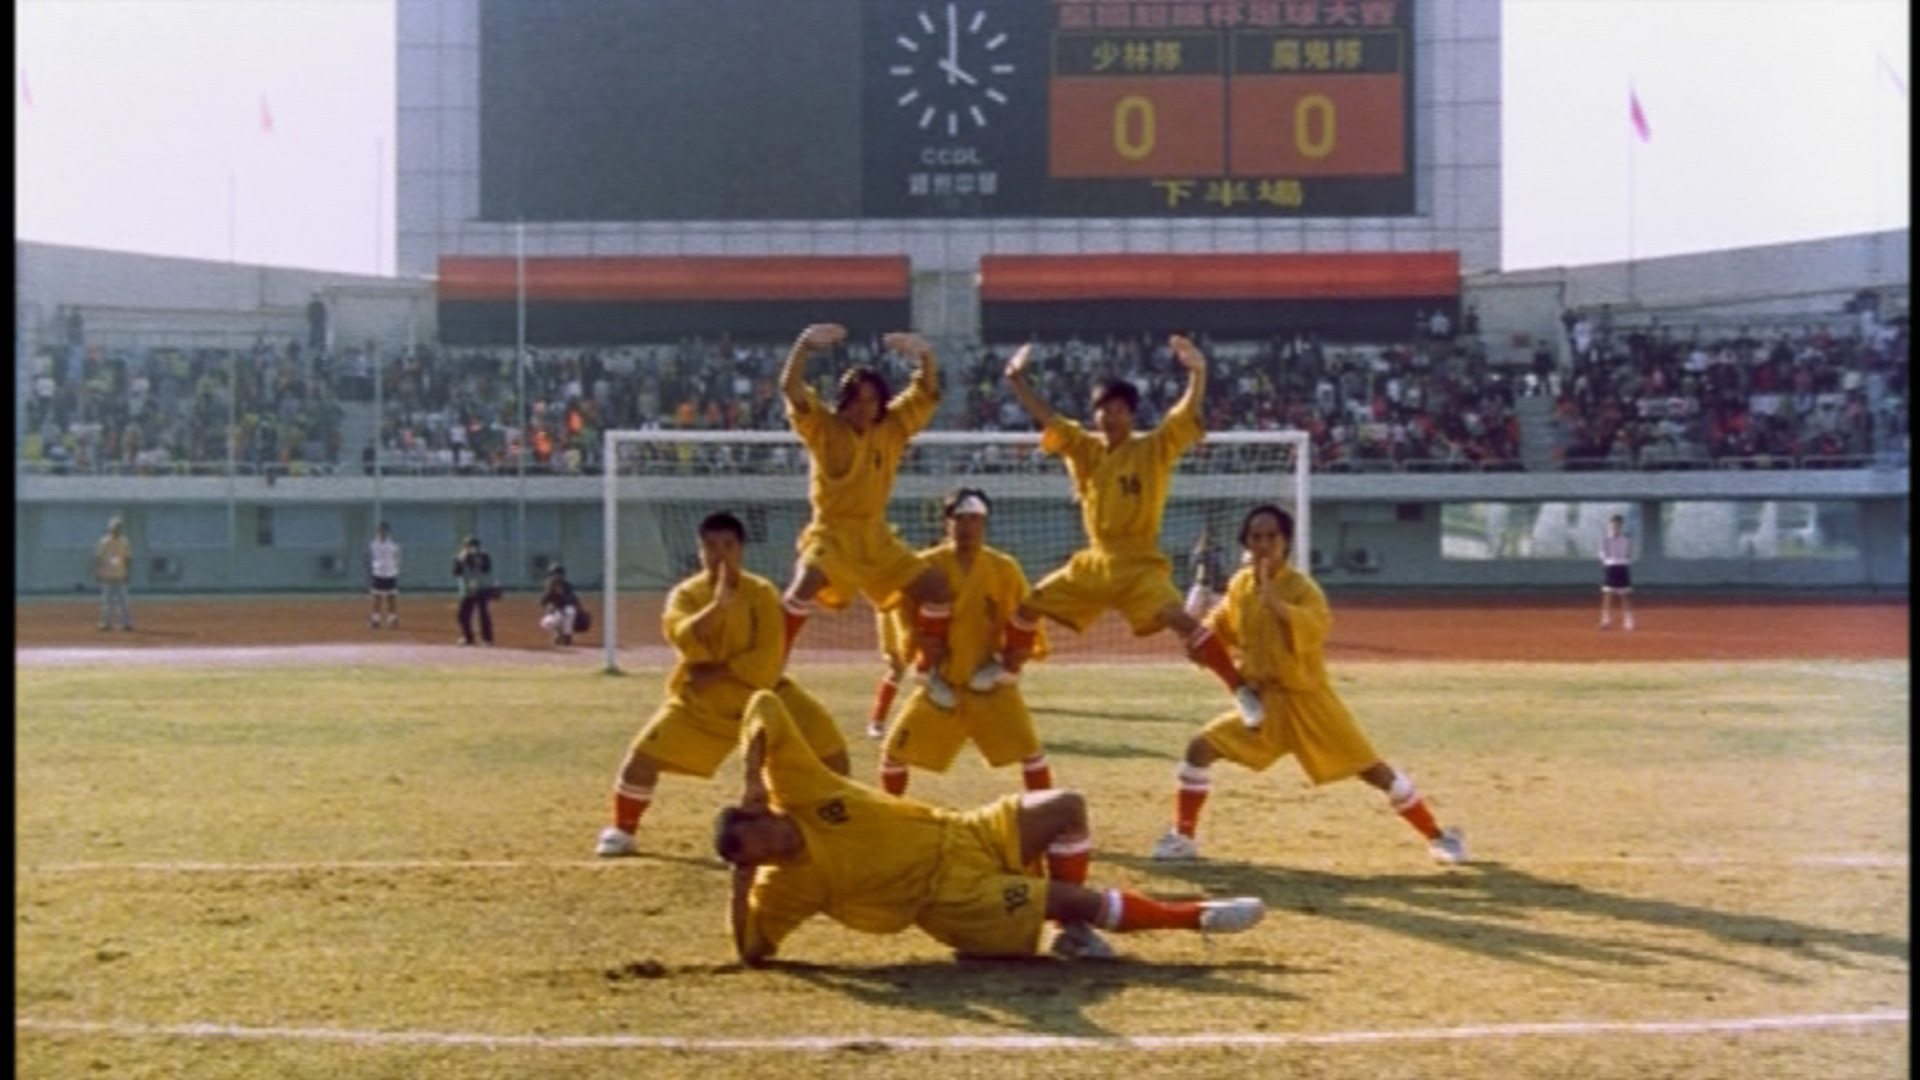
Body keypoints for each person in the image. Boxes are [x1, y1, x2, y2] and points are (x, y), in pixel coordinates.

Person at [716, 690, 1266, 964]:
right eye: (750, 857)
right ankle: (1195, 918)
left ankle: (1067, 934)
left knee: (1066, 805)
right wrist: (739, 890)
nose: (761, 850)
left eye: (753, 835)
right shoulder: (783, 886)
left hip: (965, 832)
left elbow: (763, 703)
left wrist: (752, 775)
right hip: (954, 899)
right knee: (1076, 897)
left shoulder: (798, 788)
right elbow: (753, 950)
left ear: (757, 810)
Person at [1149, 503, 1467, 866]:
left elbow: (1313, 628)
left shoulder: (1303, 589)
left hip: (1308, 700)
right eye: (1256, 537)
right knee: (1199, 749)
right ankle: (1183, 838)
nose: (1264, 544)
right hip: (1262, 705)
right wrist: (1194, 640)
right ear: (1246, 542)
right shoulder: (1239, 585)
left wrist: (1277, 605)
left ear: (1286, 542)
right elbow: (1216, 630)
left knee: (1372, 770)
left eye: (1272, 536)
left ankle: (1440, 837)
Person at [998, 335, 1263, 727]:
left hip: (1139, 561)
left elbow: (1184, 413)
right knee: (1025, 607)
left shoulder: (1152, 450)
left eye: (1119, 409)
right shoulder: (1083, 447)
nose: (1110, 416)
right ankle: (1006, 675)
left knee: (1182, 620)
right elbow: (1047, 416)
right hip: (1093, 560)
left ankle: (1241, 690)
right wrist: (1016, 381)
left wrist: (1198, 373)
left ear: (1132, 415)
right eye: (1103, 409)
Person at [596, 511, 852, 858]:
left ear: (741, 549)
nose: (719, 553)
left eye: (728, 545)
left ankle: (826, 829)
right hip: (703, 703)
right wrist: (717, 607)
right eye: (711, 545)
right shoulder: (685, 594)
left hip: (765, 698)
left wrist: (717, 671)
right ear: (699, 550)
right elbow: (683, 638)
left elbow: (767, 659)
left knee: (832, 754)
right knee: (640, 760)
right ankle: (622, 830)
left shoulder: (760, 592)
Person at [779, 323, 959, 707]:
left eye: (872, 401)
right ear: (842, 402)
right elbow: (791, 390)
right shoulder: (823, 427)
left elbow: (927, 393)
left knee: (938, 589)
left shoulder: (891, 427)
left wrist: (925, 356)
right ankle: (766, 668)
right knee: (803, 586)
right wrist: (802, 347)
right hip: (831, 533)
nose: (865, 409)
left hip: (876, 538)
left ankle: (928, 670)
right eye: (857, 401)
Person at [874, 487, 1057, 798]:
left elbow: (1027, 613)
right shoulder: (924, 565)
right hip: (940, 679)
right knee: (894, 753)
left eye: (974, 519)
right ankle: (890, 814)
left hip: (989, 680)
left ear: (984, 524)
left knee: (1030, 752)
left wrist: (1020, 654)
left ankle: (1045, 818)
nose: (967, 526)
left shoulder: (1003, 568)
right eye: (960, 519)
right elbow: (893, 605)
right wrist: (914, 639)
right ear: (947, 523)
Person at [452, 534, 495, 646]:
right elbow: (455, 572)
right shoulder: (460, 557)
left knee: (483, 613)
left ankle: (487, 639)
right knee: (462, 615)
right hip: (467, 590)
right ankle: (467, 637)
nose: (473, 548)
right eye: (469, 546)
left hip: (482, 587)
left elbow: (487, 568)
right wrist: (461, 561)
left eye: (475, 546)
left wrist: (477, 560)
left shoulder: (484, 556)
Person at [93, 515, 133, 632]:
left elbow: (127, 558)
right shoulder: (104, 542)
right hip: (107, 575)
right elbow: (98, 557)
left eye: (118, 528)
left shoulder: (124, 542)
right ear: (110, 529)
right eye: (114, 528)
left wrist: (127, 572)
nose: (116, 530)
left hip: (120, 575)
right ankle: (105, 623)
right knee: (106, 601)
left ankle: (126, 623)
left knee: (123, 601)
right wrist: (98, 571)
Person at [1599, 513, 1635, 630]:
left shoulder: (1626, 539)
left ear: (1621, 525)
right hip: (1611, 568)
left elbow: (1629, 553)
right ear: (1610, 525)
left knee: (1625, 595)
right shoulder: (1605, 539)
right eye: (1613, 524)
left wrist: (1626, 561)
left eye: (1618, 524)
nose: (1615, 526)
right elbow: (1602, 552)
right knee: (1608, 594)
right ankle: (1605, 620)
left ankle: (1628, 621)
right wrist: (1606, 562)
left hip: (1622, 568)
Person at [538, 564, 587, 646]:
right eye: (554, 574)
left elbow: (573, 600)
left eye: (559, 574)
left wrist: (561, 594)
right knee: (547, 622)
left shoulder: (567, 586)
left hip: (567, 612)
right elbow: (542, 602)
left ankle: (567, 635)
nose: (557, 576)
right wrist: (548, 604)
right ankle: (557, 632)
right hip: (556, 613)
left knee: (569, 611)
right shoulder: (549, 587)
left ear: (563, 575)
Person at [368, 521, 401, 629]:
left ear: (387, 532)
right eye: (379, 531)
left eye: (383, 531)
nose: (381, 533)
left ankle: (392, 618)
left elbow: (397, 558)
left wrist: (395, 568)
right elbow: (372, 558)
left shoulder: (392, 545)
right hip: (378, 573)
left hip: (390, 573)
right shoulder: (373, 544)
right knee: (377, 596)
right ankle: (375, 619)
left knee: (391, 596)